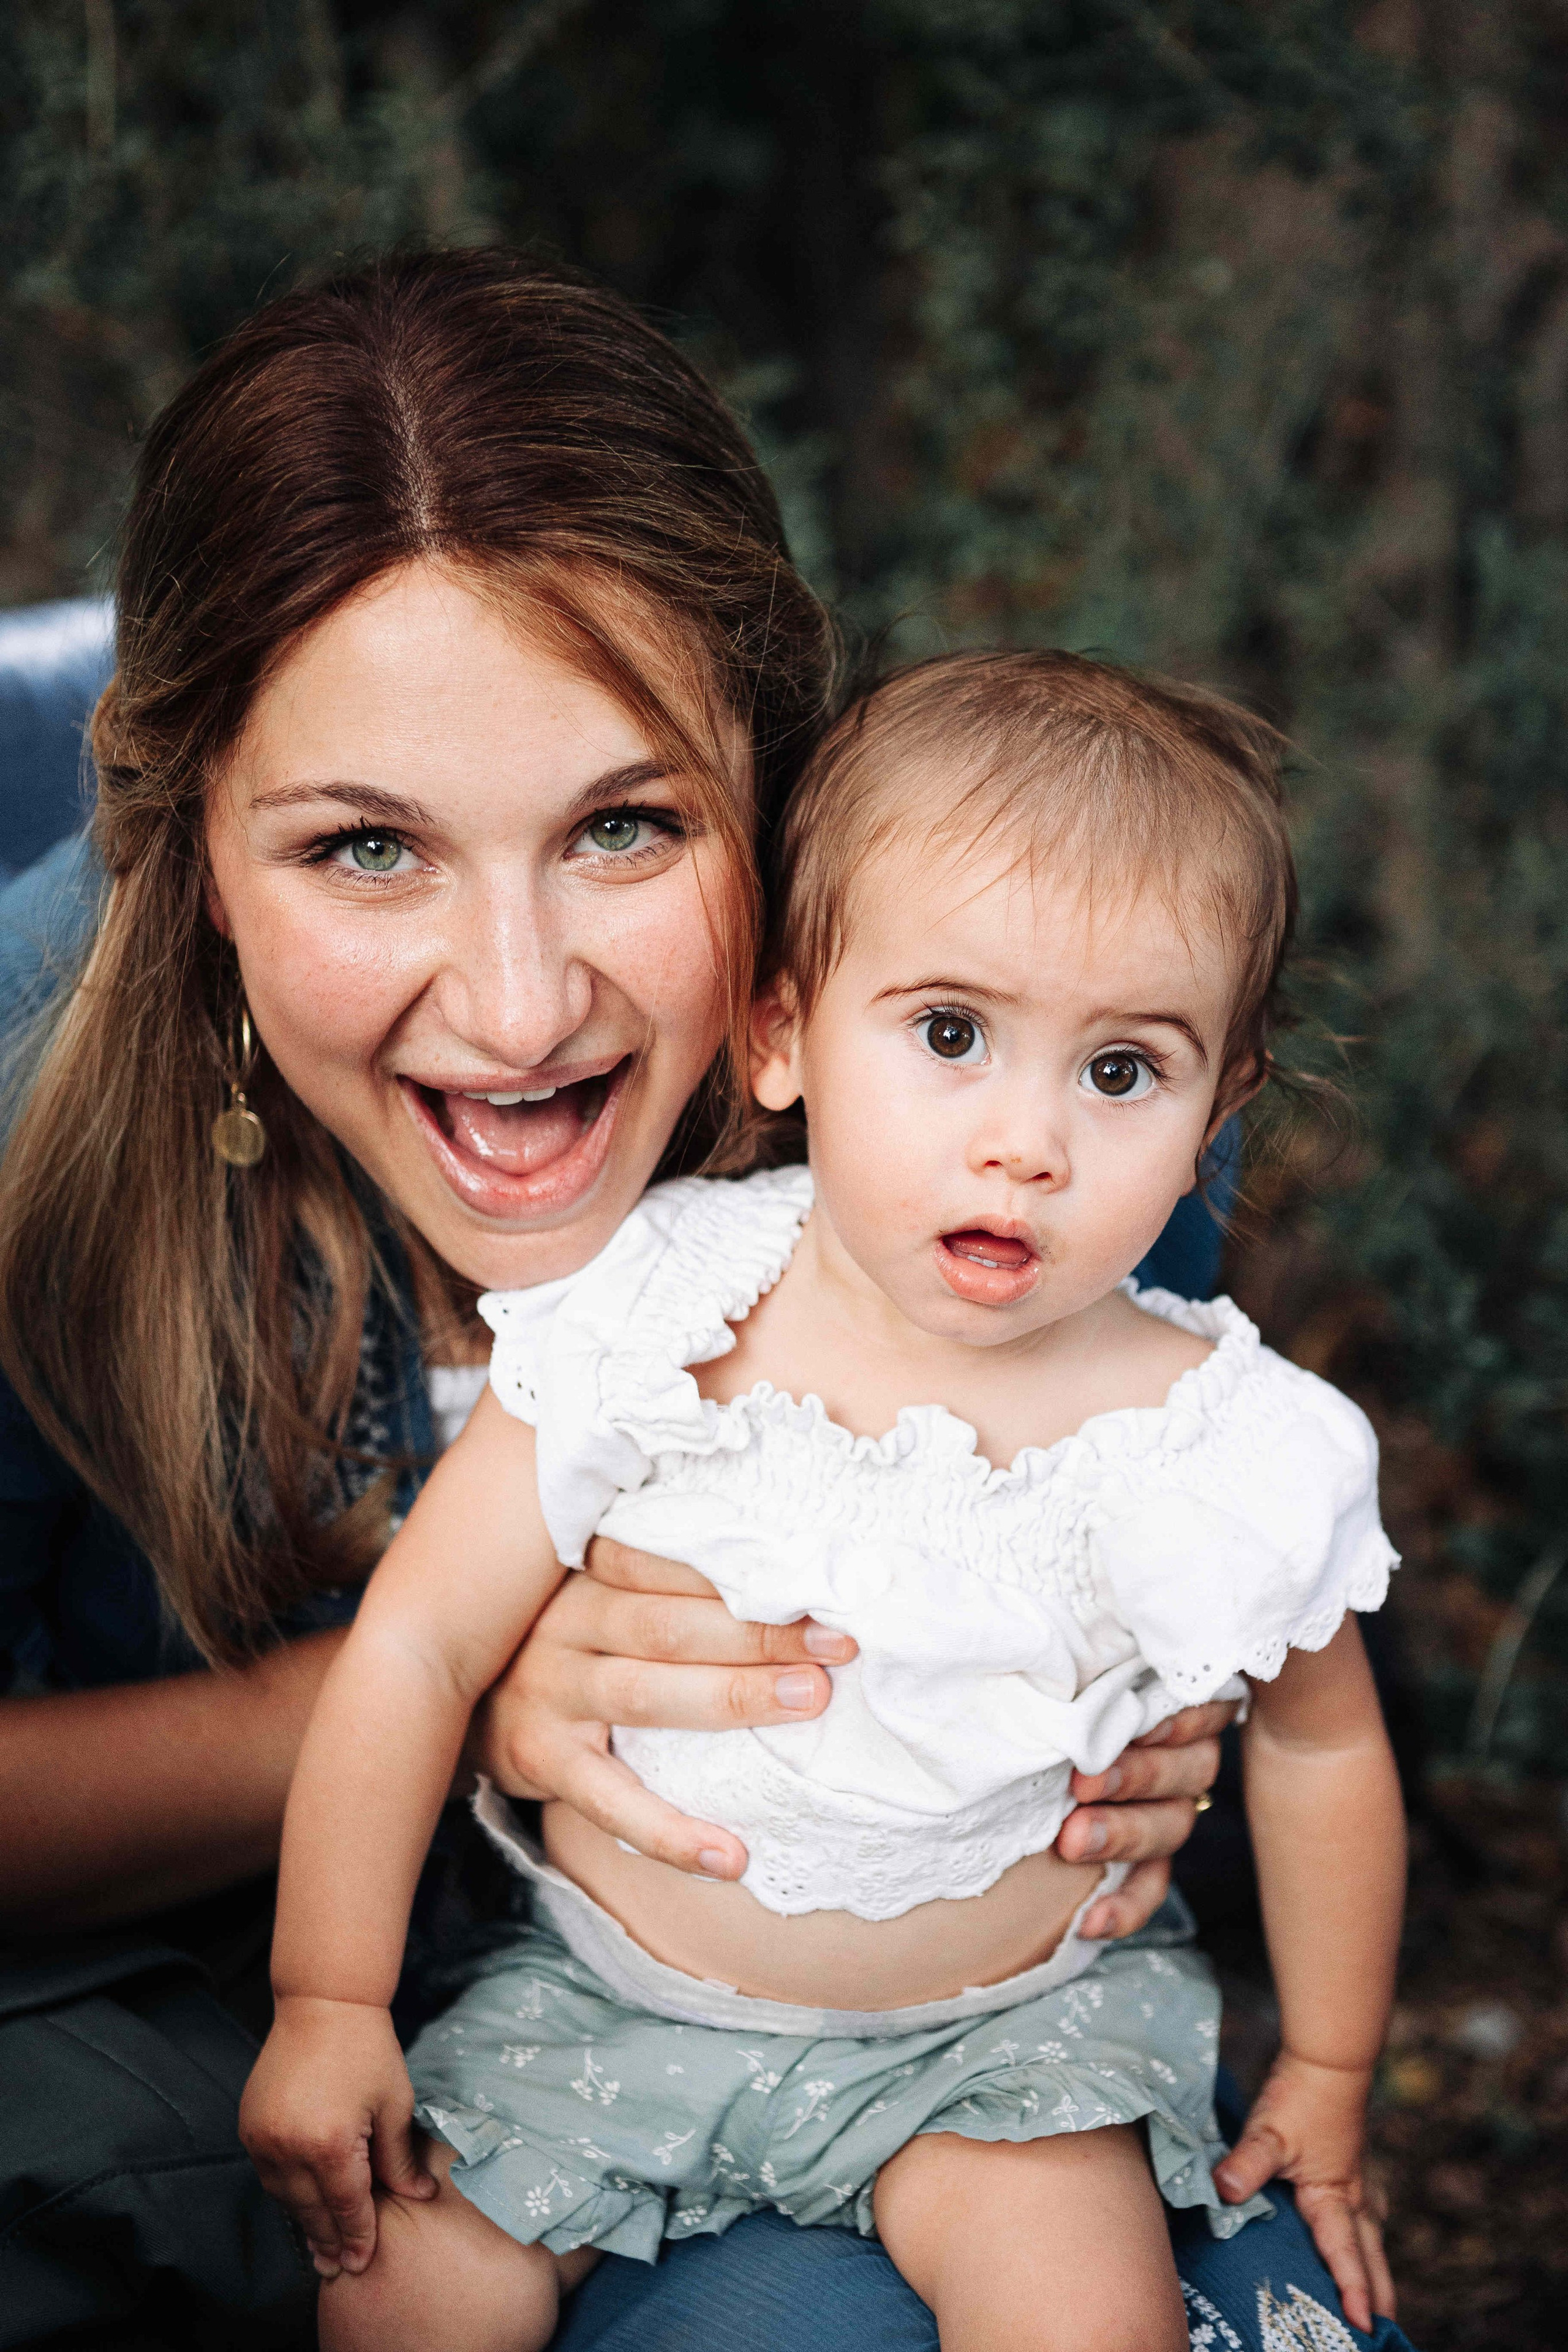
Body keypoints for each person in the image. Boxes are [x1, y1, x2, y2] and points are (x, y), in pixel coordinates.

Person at [0, 252, 1406, 2352]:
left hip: (885, 2060)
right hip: (215, 2025)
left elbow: (1220, 1768)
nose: (518, 1007)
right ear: (180, 844)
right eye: (366, 850)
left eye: (630, 826)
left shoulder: (1004, 1088)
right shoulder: (32, 1107)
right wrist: (459, 1681)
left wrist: (1148, 1745)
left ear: (781, 792)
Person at [241, 649, 1408, 2352]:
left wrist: (1329, 2066)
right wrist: (326, 1998)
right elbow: (418, 1647)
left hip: (999, 2050)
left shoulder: (1217, 1436)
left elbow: (1322, 1746)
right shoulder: (661, 1307)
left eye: (1122, 1073)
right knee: (407, 2298)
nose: (1026, 1141)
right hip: (610, 2008)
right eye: (951, 1035)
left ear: (1221, 1104)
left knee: (1088, 2315)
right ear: (784, 1033)